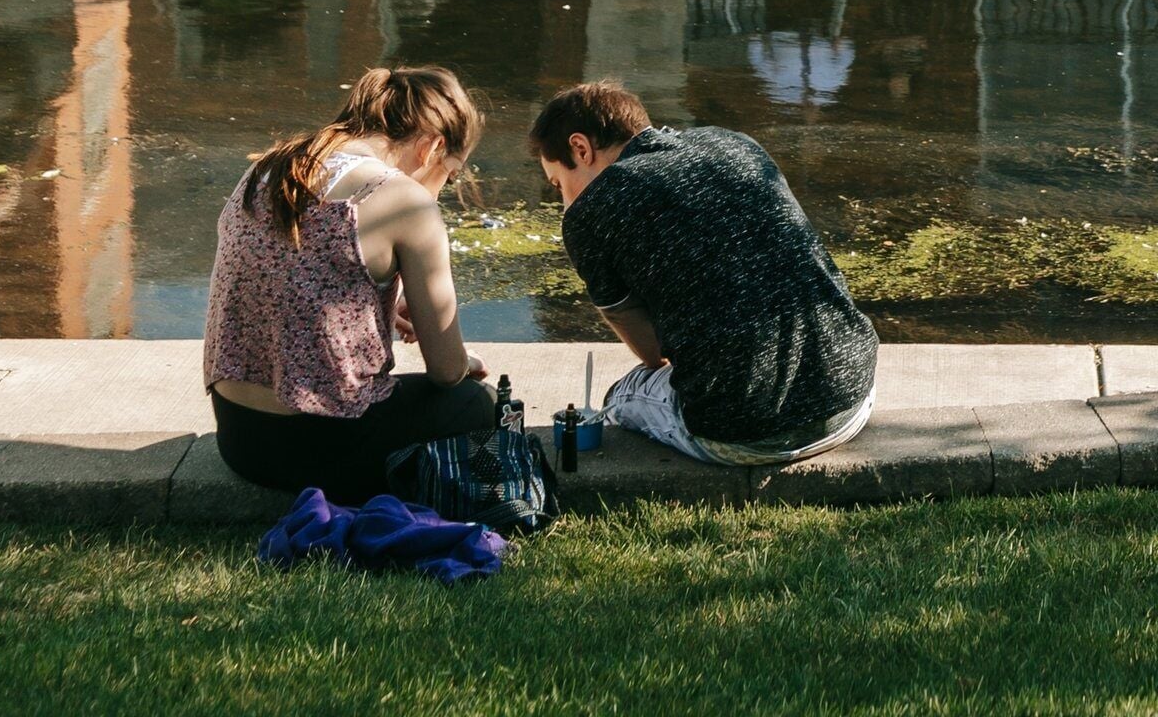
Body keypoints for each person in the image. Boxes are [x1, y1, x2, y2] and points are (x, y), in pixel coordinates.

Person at [533, 80, 877, 467]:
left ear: (580, 148)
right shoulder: (735, 143)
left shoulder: (592, 209)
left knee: (624, 393)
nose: (566, 200)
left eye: (559, 183)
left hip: (744, 435)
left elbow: (651, 353)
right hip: (852, 394)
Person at [203, 65, 496, 506]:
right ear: (433, 146)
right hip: (327, 449)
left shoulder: (271, 166)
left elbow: (298, 280)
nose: (445, 188)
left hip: (241, 440)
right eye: (451, 175)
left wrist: (383, 304)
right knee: (479, 402)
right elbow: (446, 370)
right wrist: (462, 359)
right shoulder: (404, 200)